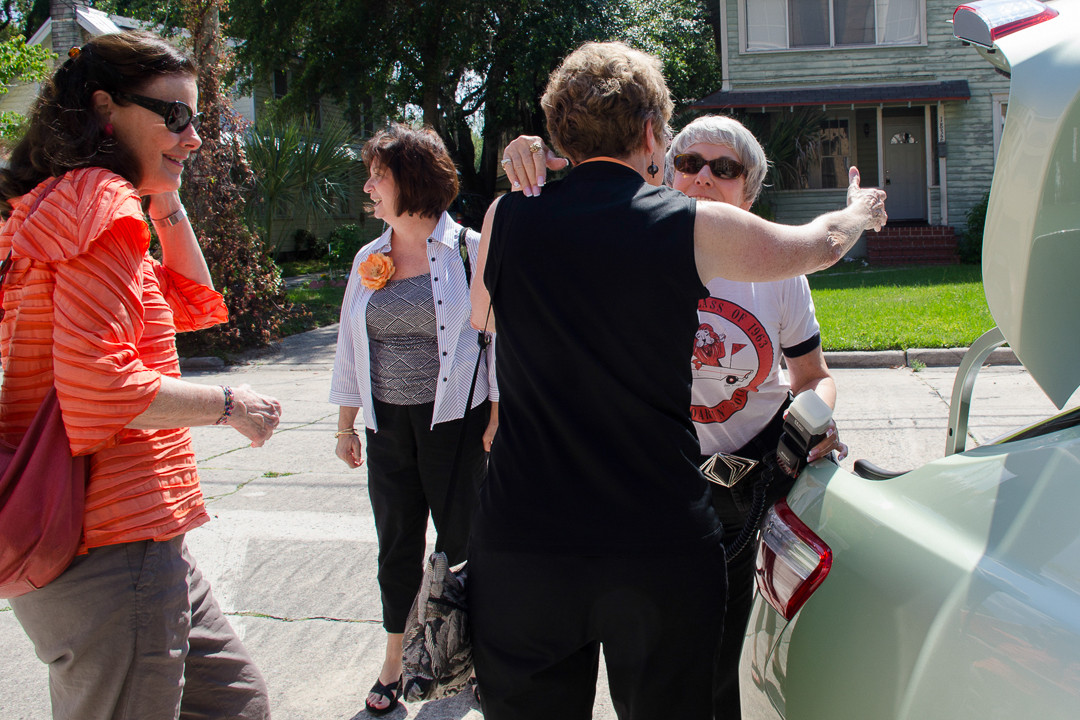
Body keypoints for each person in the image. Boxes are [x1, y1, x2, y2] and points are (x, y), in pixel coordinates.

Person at [467, 41, 885, 720]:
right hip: (654, 540)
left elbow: (480, 313)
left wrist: (535, 173)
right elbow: (820, 244)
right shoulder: (692, 227)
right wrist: (860, 209)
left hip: (523, 541)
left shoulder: (506, 217)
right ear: (650, 135)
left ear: (561, 132)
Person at [0, 32, 281, 720]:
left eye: (196, 119)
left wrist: (165, 195)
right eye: (175, 116)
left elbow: (190, 303)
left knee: (236, 704)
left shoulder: (65, 201)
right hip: (108, 548)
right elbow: (100, 386)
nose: (194, 137)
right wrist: (230, 404)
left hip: (133, 541)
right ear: (105, 107)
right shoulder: (100, 204)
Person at [328, 123, 498, 716]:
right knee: (396, 544)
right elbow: (350, 347)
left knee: (463, 546)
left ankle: (472, 658)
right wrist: (346, 423)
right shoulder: (368, 258)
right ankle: (395, 661)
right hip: (387, 427)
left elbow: (498, 340)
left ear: (412, 181)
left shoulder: (469, 250)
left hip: (455, 423)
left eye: (378, 176)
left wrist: (498, 413)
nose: (368, 186)